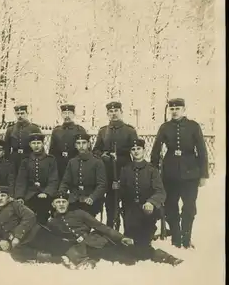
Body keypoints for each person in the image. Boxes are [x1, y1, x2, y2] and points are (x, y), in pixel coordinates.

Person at [47, 195, 183, 269]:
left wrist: (121, 237)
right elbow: (57, 242)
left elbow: (101, 226)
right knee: (123, 258)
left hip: (97, 241)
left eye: (63, 201)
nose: (61, 204)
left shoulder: (79, 213)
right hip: (86, 250)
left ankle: (166, 257)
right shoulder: (52, 222)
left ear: (68, 203)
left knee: (130, 247)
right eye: (57, 202)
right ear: (53, 205)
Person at [150, 98, 209, 249]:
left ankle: (186, 239)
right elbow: (155, 150)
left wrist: (203, 175)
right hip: (170, 175)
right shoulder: (165, 127)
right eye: (172, 108)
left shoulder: (193, 126)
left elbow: (202, 151)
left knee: (189, 207)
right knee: (170, 207)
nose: (174, 111)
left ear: (184, 109)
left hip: (190, 174)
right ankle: (176, 240)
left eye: (178, 108)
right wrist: (154, 173)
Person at [0, 186, 73, 265]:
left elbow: (30, 216)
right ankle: (52, 258)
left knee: (63, 247)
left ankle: (78, 250)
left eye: (3, 195)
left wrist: (17, 236)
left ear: (7, 197)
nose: (0, 198)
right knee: (16, 254)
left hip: (35, 234)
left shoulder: (15, 205)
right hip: (21, 245)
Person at [92, 101, 138, 228]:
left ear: (121, 112)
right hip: (108, 171)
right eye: (111, 112)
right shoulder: (103, 131)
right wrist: (103, 155)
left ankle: (129, 229)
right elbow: (96, 149)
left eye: (116, 111)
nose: (114, 114)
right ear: (107, 114)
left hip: (125, 170)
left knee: (127, 200)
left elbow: (136, 150)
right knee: (111, 202)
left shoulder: (129, 130)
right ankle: (111, 228)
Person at [14, 133, 59, 225]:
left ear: (43, 144)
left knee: (43, 213)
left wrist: (47, 193)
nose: (36, 146)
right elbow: (21, 181)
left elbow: (53, 179)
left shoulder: (50, 160)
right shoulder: (26, 161)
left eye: (38, 143)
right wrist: (20, 196)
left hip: (45, 194)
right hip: (29, 194)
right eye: (34, 143)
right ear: (30, 145)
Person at [58, 133, 107, 216]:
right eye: (78, 143)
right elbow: (65, 182)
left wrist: (92, 197)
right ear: (75, 145)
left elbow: (102, 185)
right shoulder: (72, 162)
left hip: (91, 200)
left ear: (88, 144)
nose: (81, 146)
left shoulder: (97, 162)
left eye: (83, 143)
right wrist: (60, 195)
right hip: (74, 199)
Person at [49, 104, 88, 180]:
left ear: (73, 114)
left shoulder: (80, 129)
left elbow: (86, 149)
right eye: (64, 113)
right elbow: (52, 151)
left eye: (69, 113)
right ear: (61, 115)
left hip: (75, 162)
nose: (67, 116)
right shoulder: (56, 131)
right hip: (59, 164)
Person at [4, 104, 42, 176]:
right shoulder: (10, 129)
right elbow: (7, 147)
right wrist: (8, 160)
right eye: (18, 114)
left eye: (22, 113)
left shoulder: (34, 128)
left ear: (27, 114)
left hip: (29, 157)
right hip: (15, 159)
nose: (20, 116)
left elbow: (40, 146)